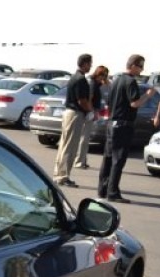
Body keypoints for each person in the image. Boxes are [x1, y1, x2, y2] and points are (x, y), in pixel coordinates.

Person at [97, 54, 156, 204]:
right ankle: (113, 192)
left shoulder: (116, 81)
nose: (142, 70)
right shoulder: (130, 82)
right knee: (118, 159)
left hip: (112, 123)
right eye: (140, 66)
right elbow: (134, 103)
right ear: (133, 66)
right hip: (123, 124)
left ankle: (102, 189)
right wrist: (147, 96)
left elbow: (109, 101)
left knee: (109, 157)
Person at [53, 53, 94, 186]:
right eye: (90, 63)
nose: (91, 66)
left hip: (69, 113)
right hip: (75, 113)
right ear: (84, 63)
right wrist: (90, 111)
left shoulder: (74, 77)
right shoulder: (80, 79)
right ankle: (63, 177)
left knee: (65, 145)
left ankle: (59, 174)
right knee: (71, 146)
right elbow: (82, 100)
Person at [75, 64, 109, 170]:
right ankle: (80, 161)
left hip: (92, 110)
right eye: (103, 76)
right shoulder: (93, 84)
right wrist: (91, 112)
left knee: (85, 138)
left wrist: (105, 81)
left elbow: (108, 84)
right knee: (84, 138)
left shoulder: (96, 83)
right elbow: (90, 98)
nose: (104, 79)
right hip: (90, 111)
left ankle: (83, 160)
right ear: (99, 75)